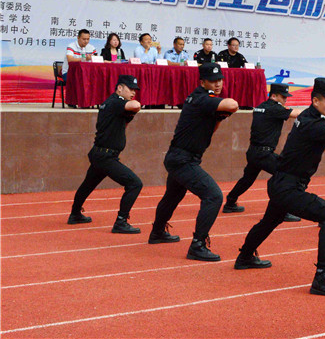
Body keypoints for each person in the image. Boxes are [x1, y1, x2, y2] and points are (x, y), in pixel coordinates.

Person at [236, 78, 325, 297]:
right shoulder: (314, 123)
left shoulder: (309, 118)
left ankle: (245, 256)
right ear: (315, 101)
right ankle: (322, 277)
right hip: (288, 187)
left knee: (270, 221)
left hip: (282, 183)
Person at [149, 63, 239, 260]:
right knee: (214, 196)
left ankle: (157, 232)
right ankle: (197, 245)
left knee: (173, 196)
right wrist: (223, 110)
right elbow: (233, 105)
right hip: (183, 159)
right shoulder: (202, 98)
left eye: (220, 80)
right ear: (202, 82)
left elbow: (210, 130)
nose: (218, 84)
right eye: (213, 81)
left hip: (180, 157)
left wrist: (218, 117)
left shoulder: (203, 100)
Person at [68, 75, 144, 233]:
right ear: (119, 88)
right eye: (130, 89)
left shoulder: (111, 103)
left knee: (88, 185)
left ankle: (75, 214)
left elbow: (124, 123)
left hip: (101, 153)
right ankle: (121, 221)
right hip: (106, 156)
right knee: (135, 184)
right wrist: (132, 106)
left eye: (135, 90)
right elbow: (136, 105)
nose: (133, 93)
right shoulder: (117, 101)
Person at [222, 83, 302, 218]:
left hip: (254, 151)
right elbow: (298, 114)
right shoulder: (275, 109)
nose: (285, 100)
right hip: (264, 154)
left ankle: (230, 202)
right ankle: (281, 211)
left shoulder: (260, 107)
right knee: (284, 176)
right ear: (274, 96)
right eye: (283, 97)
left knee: (247, 179)